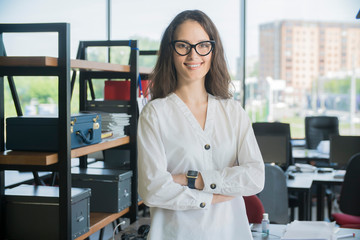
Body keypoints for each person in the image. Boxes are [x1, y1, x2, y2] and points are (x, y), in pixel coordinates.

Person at [137, 9, 265, 240]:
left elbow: (255, 177)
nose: (193, 55)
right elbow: (153, 190)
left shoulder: (233, 111)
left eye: (202, 45)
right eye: (183, 46)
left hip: (230, 233)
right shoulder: (154, 114)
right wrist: (214, 196)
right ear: (171, 51)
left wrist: (190, 180)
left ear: (213, 50)